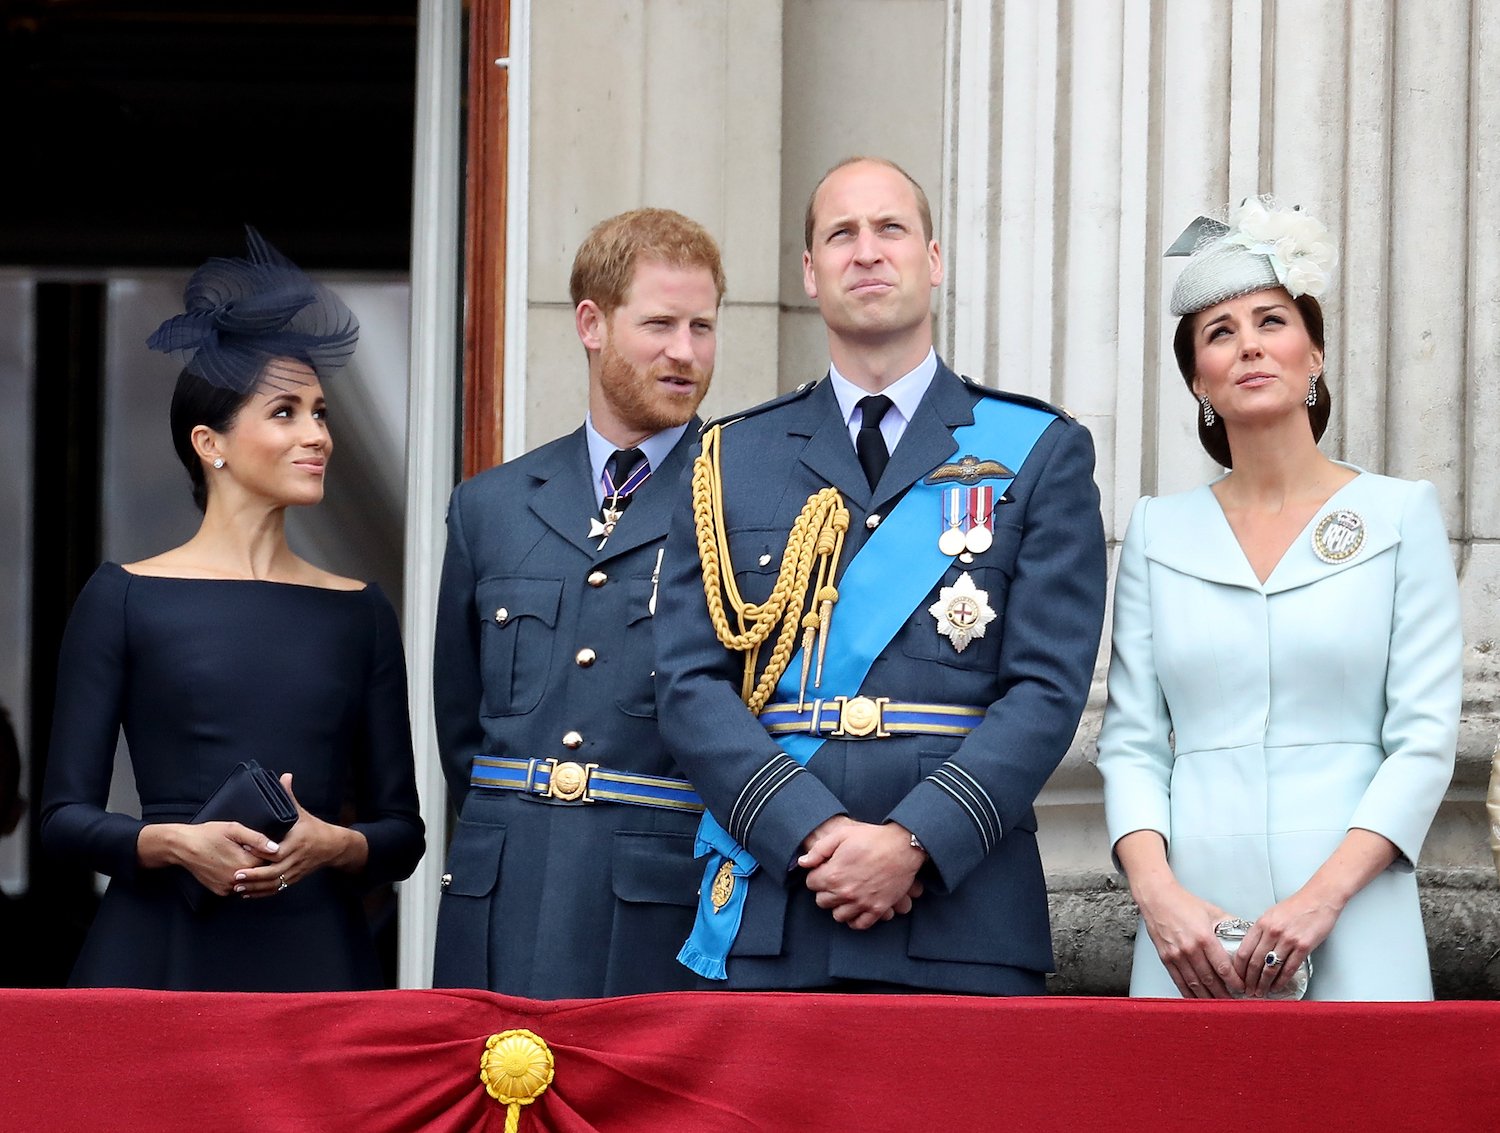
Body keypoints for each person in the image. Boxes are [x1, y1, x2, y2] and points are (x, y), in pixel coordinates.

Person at [654, 157, 1107, 994]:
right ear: (810, 272)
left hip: (962, 913)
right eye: (841, 234)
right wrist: (806, 829)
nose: (866, 251)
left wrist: (914, 842)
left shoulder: (1037, 449)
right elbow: (687, 684)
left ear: (932, 259)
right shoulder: (729, 458)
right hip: (778, 905)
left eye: (890, 228)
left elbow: (1046, 691)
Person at [39, 229, 425, 991]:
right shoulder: (123, 596)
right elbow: (61, 819)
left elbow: (402, 835)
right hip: (160, 952)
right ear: (210, 442)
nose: (318, 434)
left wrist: (332, 844)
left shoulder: (361, 613)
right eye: (285, 412)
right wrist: (176, 843)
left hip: (314, 956)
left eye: (320, 412)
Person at [1095, 198, 1461, 1000]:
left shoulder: (1399, 514)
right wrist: (1161, 899)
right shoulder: (1158, 531)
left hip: (1354, 908)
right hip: (1191, 925)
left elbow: (1425, 738)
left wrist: (1319, 900)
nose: (1250, 344)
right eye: (1219, 332)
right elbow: (1132, 744)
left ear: (1315, 352)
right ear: (1199, 378)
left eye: (1272, 320)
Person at [431, 207, 725, 997]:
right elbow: (462, 729)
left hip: (660, 910)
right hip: (501, 895)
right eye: (659, 323)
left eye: (703, 326)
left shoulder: (741, 501)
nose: (685, 352)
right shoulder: (488, 506)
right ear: (591, 323)